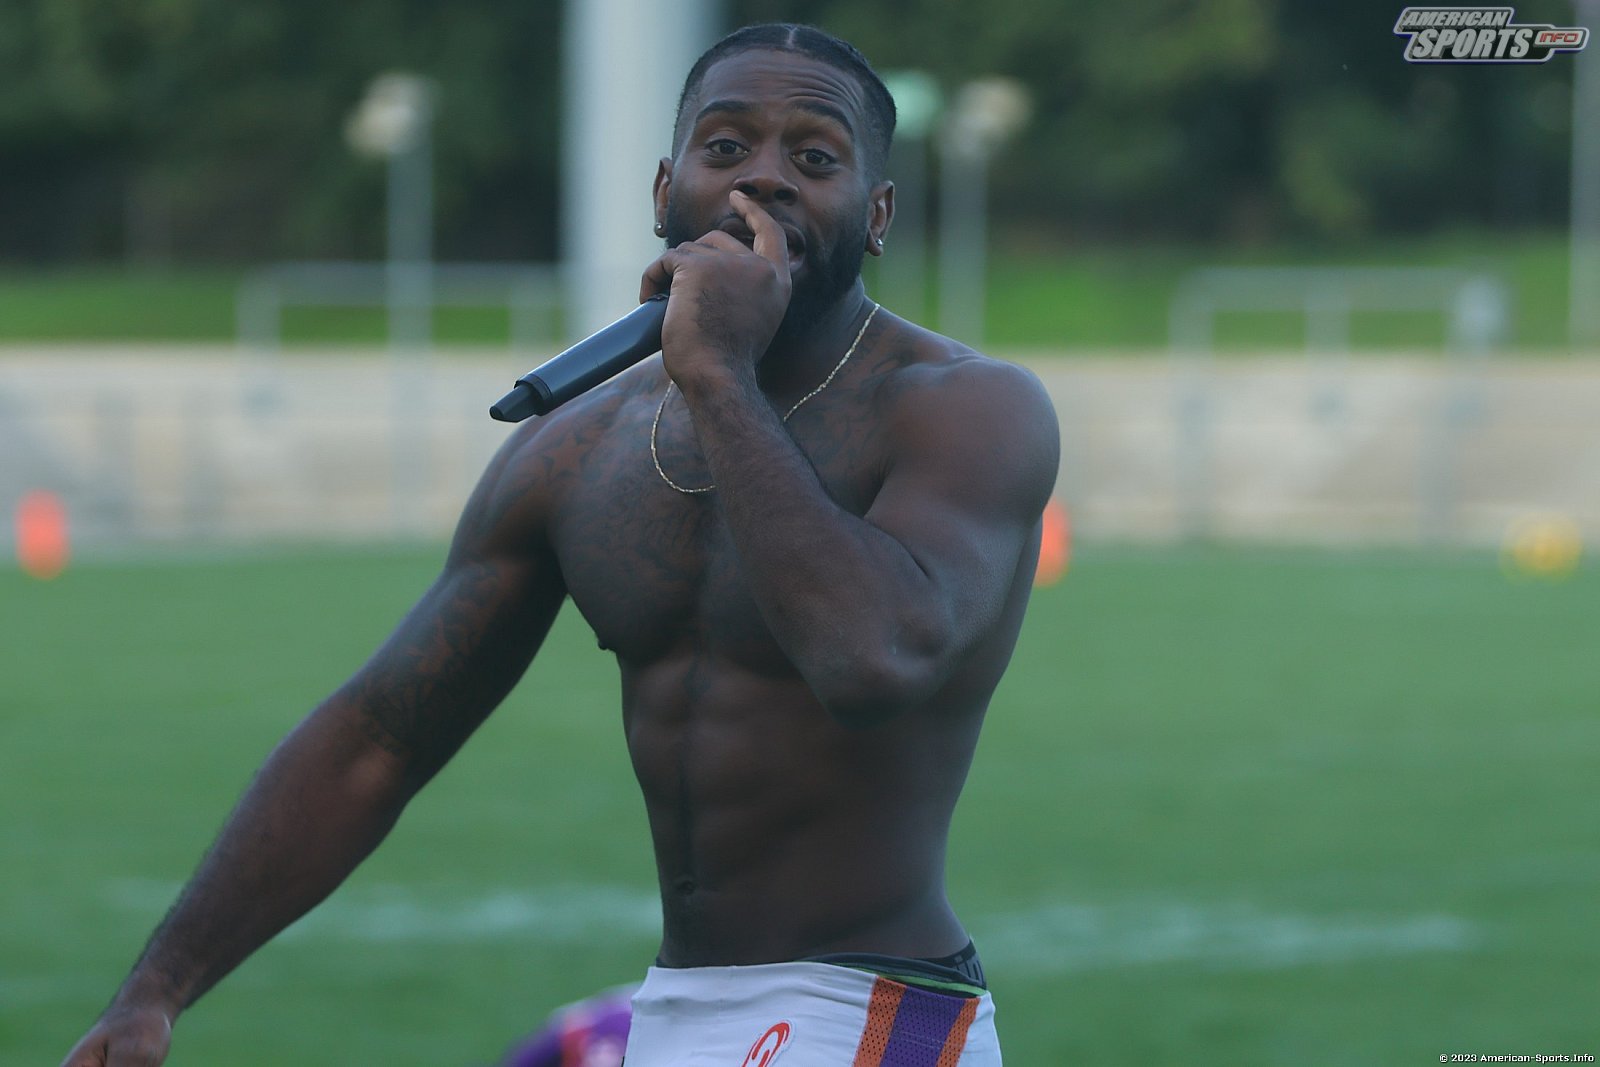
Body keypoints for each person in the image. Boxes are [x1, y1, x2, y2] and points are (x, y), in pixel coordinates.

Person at [60, 22, 1058, 1067]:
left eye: (814, 157)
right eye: (725, 147)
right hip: (675, 1008)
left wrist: (719, 374)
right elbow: (378, 737)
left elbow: (872, 658)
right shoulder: (580, 445)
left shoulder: (963, 408)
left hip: (870, 1005)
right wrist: (156, 991)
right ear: (664, 190)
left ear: (878, 213)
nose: (763, 179)